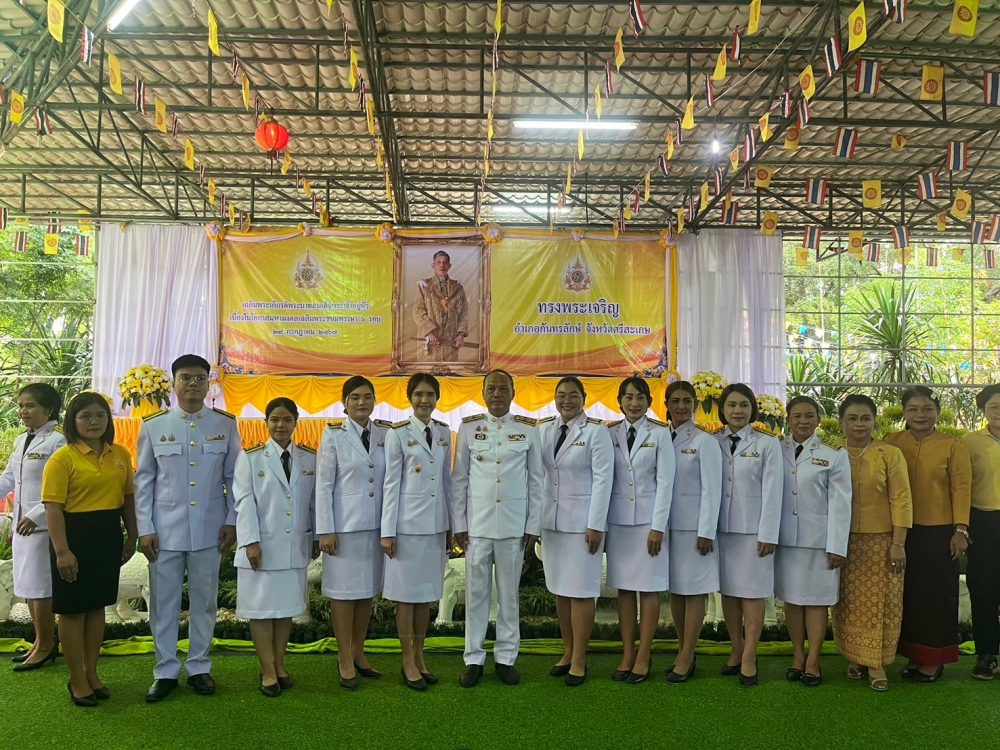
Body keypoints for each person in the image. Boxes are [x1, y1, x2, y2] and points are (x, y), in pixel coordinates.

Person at [135, 354, 241, 703]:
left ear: (209, 383)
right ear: (173, 383)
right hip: (164, 532)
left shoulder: (225, 424)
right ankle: (165, 670)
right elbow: (144, 482)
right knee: (163, 603)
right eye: (185, 378)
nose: (192, 384)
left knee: (204, 602)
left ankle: (199, 667)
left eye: (199, 378)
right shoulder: (154, 426)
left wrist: (232, 520)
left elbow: (234, 479)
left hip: (210, 530)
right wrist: (145, 528)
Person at [41, 392, 137, 707]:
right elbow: (53, 509)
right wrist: (62, 551)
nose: (94, 421)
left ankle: (91, 672)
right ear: (73, 421)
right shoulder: (63, 458)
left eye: (100, 415)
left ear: (108, 420)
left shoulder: (120, 454)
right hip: (73, 537)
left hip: (107, 536)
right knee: (72, 609)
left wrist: (132, 536)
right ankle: (76, 678)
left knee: (97, 607)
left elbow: (127, 499)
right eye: (85, 416)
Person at [450, 369, 544, 688]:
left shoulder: (528, 429)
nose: (497, 394)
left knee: (509, 596)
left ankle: (505, 658)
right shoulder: (468, 428)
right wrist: (459, 523)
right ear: (483, 393)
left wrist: (533, 524)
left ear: (514, 393)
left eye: (504, 388)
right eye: (492, 388)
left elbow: (537, 481)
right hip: (476, 527)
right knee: (476, 595)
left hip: (513, 526)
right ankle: (473, 659)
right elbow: (459, 479)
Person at [884, 386, 971, 682]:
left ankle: (934, 659)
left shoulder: (953, 444)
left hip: (939, 531)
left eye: (927, 409)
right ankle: (914, 654)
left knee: (936, 595)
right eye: (913, 409)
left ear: (937, 412)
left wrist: (960, 529)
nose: (920, 415)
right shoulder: (891, 442)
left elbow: (961, 488)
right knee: (907, 594)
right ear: (904, 413)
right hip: (900, 530)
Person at [234, 397, 317, 697]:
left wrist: (316, 537)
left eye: (287, 419)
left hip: (294, 546)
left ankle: (279, 664)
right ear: (266, 423)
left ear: (296, 422)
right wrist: (250, 542)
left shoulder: (309, 458)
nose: (281, 425)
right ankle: (267, 669)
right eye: (275, 419)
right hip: (262, 548)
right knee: (261, 610)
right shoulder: (251, 457)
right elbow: (244, 502)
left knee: (284, 610)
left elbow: (313, 502)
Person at [316, 376, 392, 690]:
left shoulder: (386, 433)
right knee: (343, 594)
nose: (362, 402)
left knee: (366, 592)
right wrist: (326, 529)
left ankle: (359, 651)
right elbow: (323, 485)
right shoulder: (334, 434)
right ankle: (344, 656)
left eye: (367, 397)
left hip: (376, 527)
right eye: (355, 397)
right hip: (343, 529)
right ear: (345, 402)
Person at [832, 394, 911, 692]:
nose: (859, 424)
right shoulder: (833, 452)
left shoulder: (888, 453)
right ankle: (855, 657)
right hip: (841, 540)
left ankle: (876, 663)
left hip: (882, 540)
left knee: (881, 602)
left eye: (865, 418)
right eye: (852, 418)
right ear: (842, 422)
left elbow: (901, 498)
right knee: (848, 602)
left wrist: (898, 543)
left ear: (874, 421)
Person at [539, 376, 614, 686]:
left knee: (582, 591)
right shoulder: (544, 430)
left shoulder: (596, 432)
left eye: (573, 395)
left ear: (584, 398)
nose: (566, 400)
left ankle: (580, 659)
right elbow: (538, 476)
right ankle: (568, 651)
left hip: (583, 527)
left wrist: (596, 524)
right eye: (561, 395)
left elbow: (604, 480)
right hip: (552, 523)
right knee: (560, 589)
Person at [775, 395, 852, 688]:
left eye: (809, 415)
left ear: (818, 420)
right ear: (788, 419)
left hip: (820, 542)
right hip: (785, 540)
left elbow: (841, 504)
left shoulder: (833, 456)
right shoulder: (775, 449)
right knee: (792, 600)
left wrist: (837, 546)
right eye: (797, 416)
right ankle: (797, 655)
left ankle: (814, 660)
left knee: (817, 602)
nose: (803, 421)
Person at [381, 373, 451, 691]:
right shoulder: (397, 434)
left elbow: (446, 482)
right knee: (406, 598)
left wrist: (450, 525)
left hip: (435, 527)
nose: (425, 400)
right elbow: (391, 484)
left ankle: (420, 656)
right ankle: (407, 659)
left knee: (425, 596)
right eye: (419, 394)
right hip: (406, 528)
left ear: (437, 399)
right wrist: (388, 531)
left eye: (430, 395)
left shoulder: (444, 432)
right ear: (410, 398)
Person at [606, 376, 675, 684]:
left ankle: (644, 654)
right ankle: (627, 653)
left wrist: (658, 527)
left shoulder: (660, 433)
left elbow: (665, 483)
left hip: (649, 524)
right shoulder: (608, 433)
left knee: (648, 589)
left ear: (649, 402)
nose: (634, 403)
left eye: (639, 397)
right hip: (619, 523)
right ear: (619, 401)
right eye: (628, 397)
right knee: (624, 590)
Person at [716, 383, 782, 687]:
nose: (738, 411)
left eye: (744, 405)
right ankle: (736, 648)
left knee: (753, 593)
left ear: (753, 409)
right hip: (722, 530)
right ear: (722, 409)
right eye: (731, 405)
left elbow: (773, 491)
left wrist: (768, 533)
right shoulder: (712, 442)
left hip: (755, 532)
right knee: (729, 592)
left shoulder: (767, 444)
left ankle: (750, 655)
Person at [0, 384, 65, 671]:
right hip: (21, 525)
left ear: (48, 409)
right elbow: (9, 478)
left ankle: (47, 645)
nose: (22, 411)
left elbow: (64, 486)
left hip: (42, 526)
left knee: (40, 588)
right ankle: (40, 641)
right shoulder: (21, 440)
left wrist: (37, 515)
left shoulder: (58, 441)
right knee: (27, 585)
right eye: (21, 405)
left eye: (29, 405)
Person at [664, 380, 722, 683]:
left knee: (694, 590)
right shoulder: (661, 437)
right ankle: (682, 650)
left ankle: (688, 655)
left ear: (695, 405)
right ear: (666, 405)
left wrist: (706, 531)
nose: (681, 406)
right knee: (676, 590)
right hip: (666, 528)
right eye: (675, 401)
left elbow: (712, 490)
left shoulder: (704, 441)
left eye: (687, 401)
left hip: (694, 528)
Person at [965, 384, 1000, 680]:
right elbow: (961, 485)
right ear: (984, 410)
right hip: (983, 522)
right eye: (994, 406)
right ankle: (987, 655)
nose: (999, 412)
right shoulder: (969, 442)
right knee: (984, 589)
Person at [412, 250, 469, 361]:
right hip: (430, 342)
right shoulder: (424, 285)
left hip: (451, 342)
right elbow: (417, 311)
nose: (442, 265)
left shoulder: (457, 287)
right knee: (428, 371)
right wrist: (429, 332)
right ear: (433, 265)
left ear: (449, 265)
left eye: (445, 262)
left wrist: (461, 335)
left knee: (449, 371)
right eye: (438, 262)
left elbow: (464, 312)